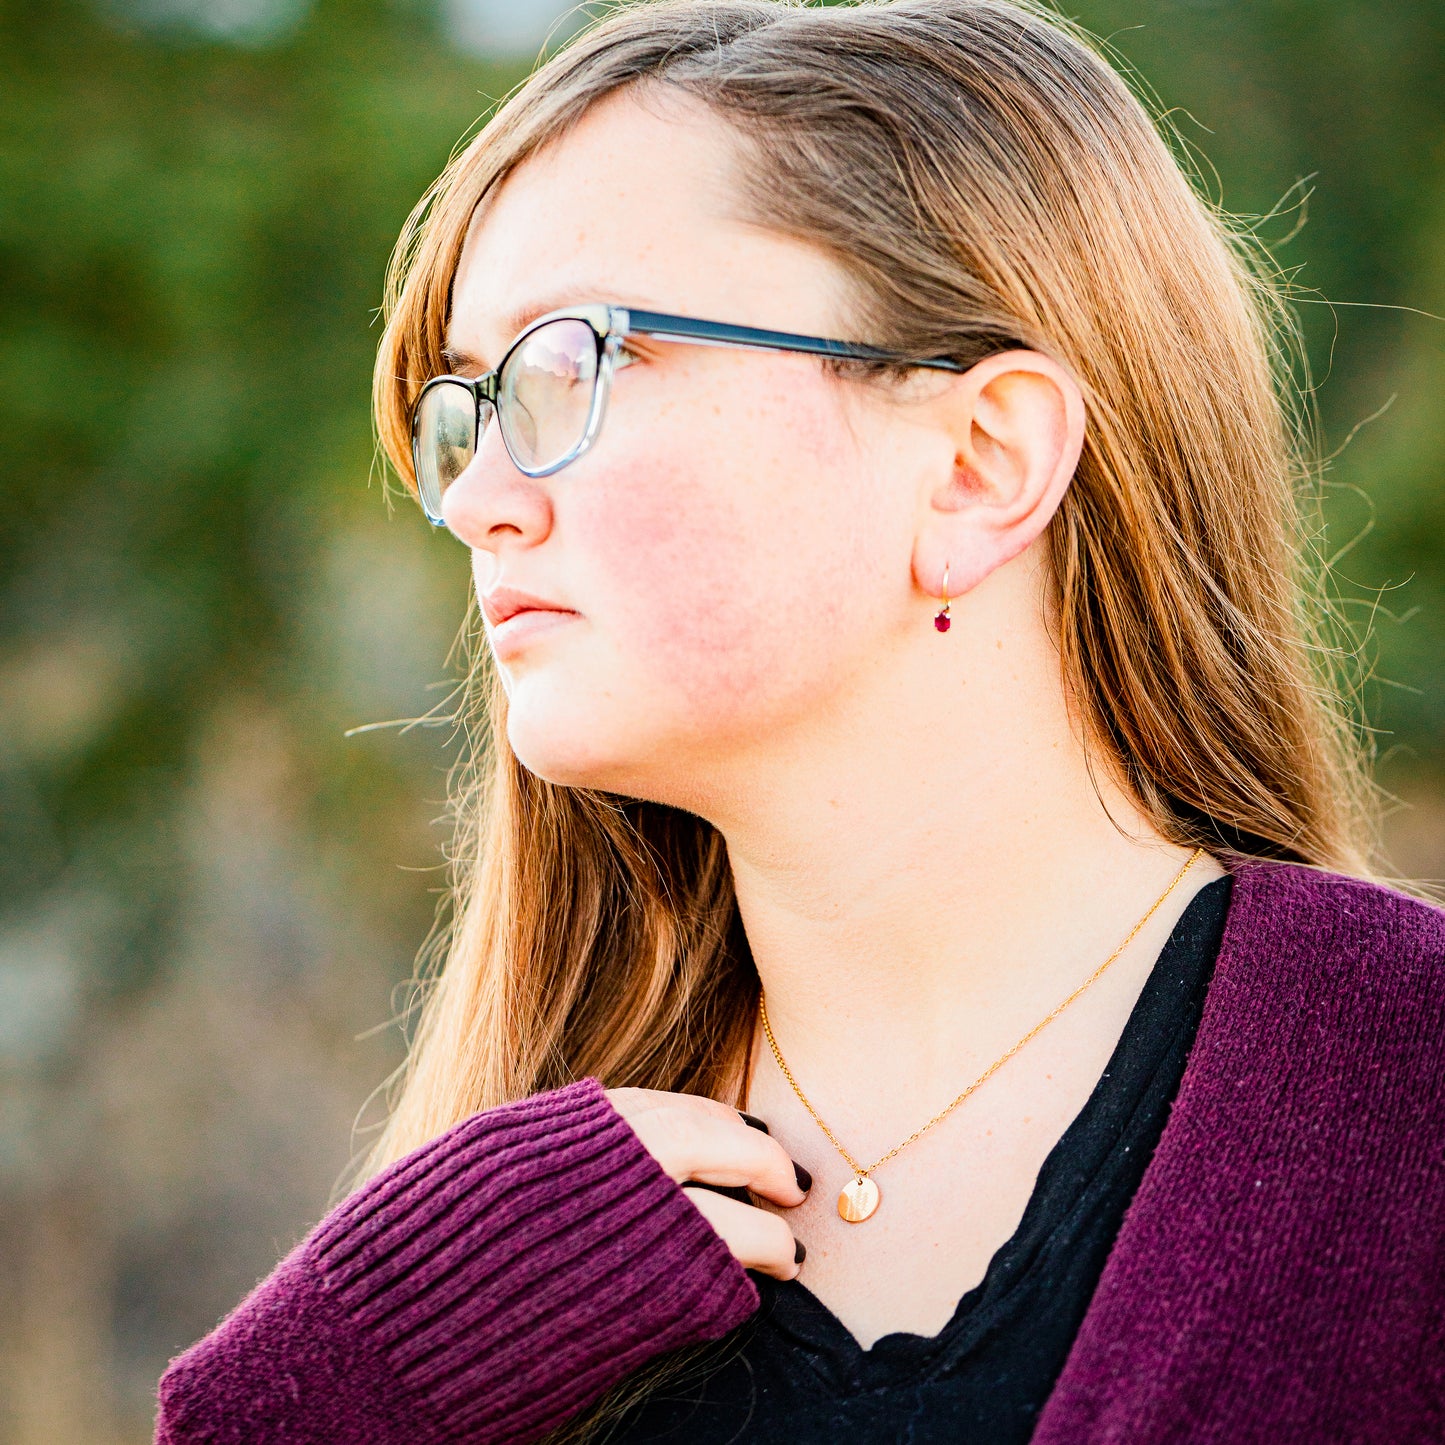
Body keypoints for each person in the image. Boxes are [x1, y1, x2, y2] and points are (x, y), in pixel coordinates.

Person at [154, 1, 1445, 1441]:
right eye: (467, 404)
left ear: (975, 462)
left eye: (578, 361)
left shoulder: (1409, 1114)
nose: (472, 497)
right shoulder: (487, 1260)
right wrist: (337, 1381)